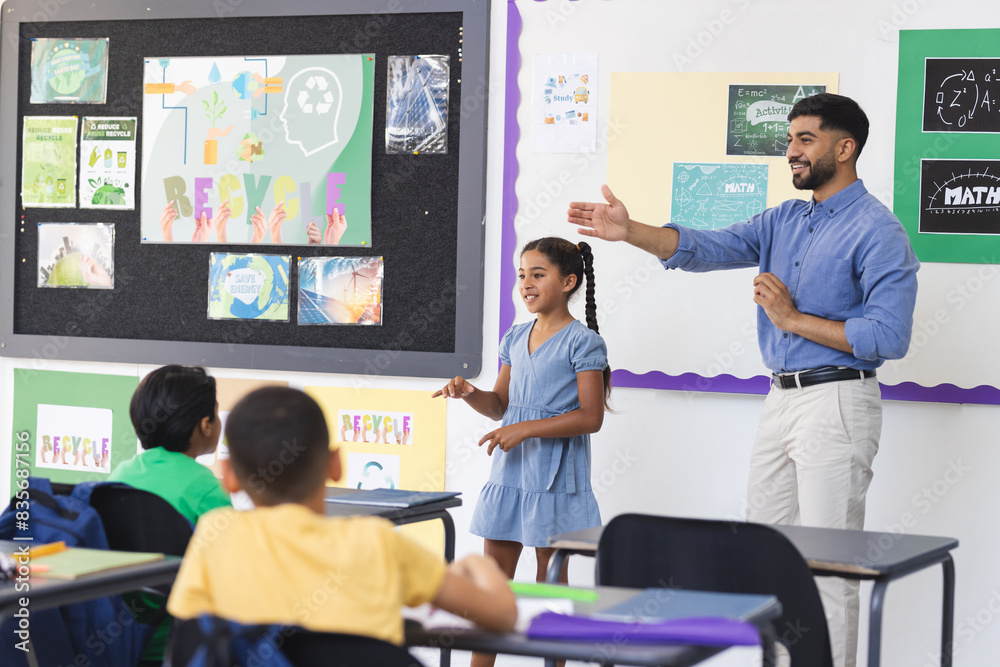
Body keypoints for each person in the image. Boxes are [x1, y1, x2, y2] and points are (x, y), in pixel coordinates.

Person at [568, 93, 919, 667]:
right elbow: (709, 247)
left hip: (837, 401)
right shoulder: (784, 218)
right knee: (768, 559)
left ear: (845, 147)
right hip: (780, 400)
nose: (792, 152)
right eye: (790, 140)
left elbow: (889, 336)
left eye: (805, 139)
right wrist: (630, 231)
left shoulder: (879, 231)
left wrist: (792, 320)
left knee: (829, 565)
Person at [167, 386, 516, 647]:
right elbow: (502, 615)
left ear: (227, 475)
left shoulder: (216, 537)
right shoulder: (375, 542)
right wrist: (477, 564)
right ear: (336, 465)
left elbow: (186, 640)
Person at [434, 237, 611, 667]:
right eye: (521, 275)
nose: (526, 283)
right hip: (510, 474)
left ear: (568, 281)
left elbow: (591, 417)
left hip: (554, 477)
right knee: (493, 585)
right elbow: (499, 405)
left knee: (551, 586)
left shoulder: (583, 343)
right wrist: (469, 392)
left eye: (538, 274)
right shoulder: (515, 336)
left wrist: (526, 429)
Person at [109, 364, 232, 665]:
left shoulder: (120, 473)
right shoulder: (203, 487)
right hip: (184, 648)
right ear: (206, 424)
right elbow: (236, 571)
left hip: (121, 643)